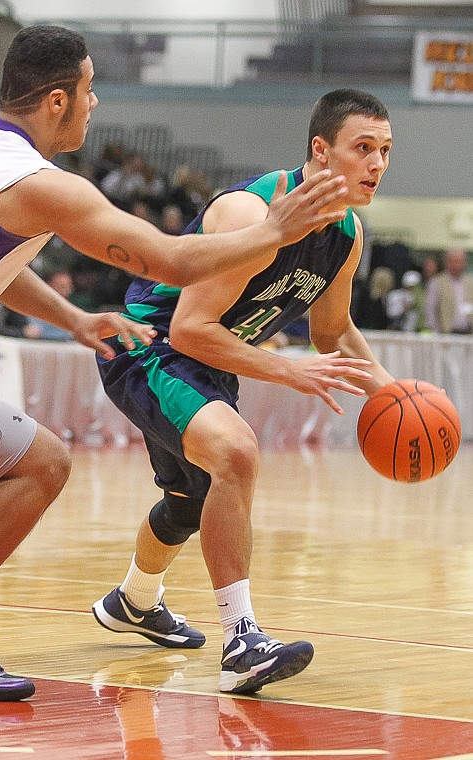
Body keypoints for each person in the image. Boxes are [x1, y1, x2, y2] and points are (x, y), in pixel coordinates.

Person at [0, 26, 359, 703]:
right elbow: (168, 261)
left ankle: (138, 600)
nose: (96, 104)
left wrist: (75, 319)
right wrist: (273, 230)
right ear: (58, 100)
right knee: (41, 463)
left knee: (42, 460)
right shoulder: (39, 184)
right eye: (90, 92)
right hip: (162, 353)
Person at [92, 89, 396, 695]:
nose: (378, 164)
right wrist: (289, 373)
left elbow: (330, 330)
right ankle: (241, 641)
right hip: (151, 349)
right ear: (320, 150)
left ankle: (133, 600)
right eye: (363, 148)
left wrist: (395, 391)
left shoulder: (347, 233)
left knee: (186, 504)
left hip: (210, 364)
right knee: (235, 452)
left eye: (386, 151)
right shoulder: (250, 215)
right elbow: (190, 329)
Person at [425, 248, 473, 334]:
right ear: (447, 263)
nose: (456, 265)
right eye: (453, 261)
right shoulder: (436, 282)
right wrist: (435, 332)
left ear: (464, 263)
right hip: (446, 334)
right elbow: (430, 310)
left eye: (459, 261)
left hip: (468, 333)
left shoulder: (470, 284)